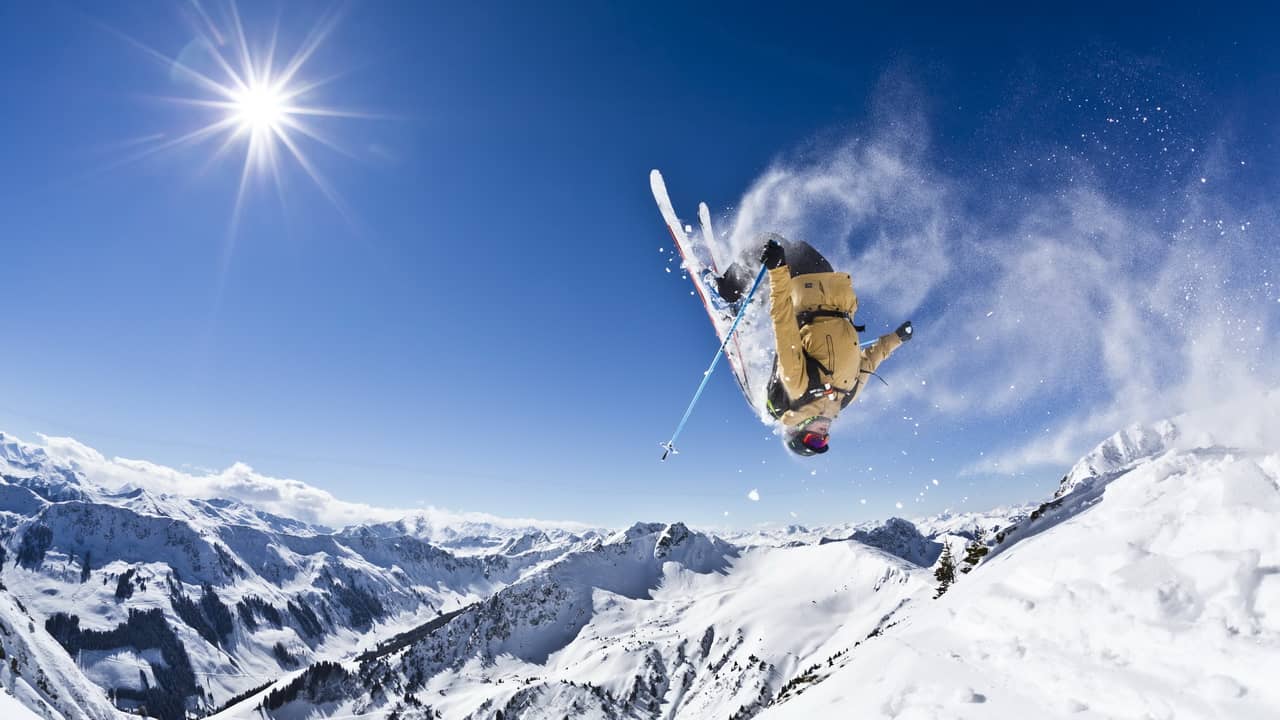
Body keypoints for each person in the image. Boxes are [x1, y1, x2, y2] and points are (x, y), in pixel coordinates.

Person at [715, 234, 913, 456]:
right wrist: (897, 338)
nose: (823, 436)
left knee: (772, 242)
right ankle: (748, 304)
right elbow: (872, 360)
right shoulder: (846, 399)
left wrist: (779, 270)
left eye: (814, 439)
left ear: (796, 430)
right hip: (837, 290)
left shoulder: (797, 389)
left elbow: (784, 324)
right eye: (824, 441)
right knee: (786, 246)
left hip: (806, 285)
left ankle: (726, 292)